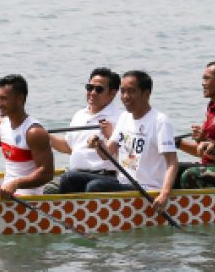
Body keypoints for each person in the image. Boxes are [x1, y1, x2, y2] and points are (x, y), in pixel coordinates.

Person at [63, 71, 179, 213]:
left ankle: (92, 220)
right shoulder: (125, 118)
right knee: (68, 178)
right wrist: (98, 144)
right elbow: (107, 154)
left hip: (147, 188)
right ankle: (69, 214)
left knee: (95, 187)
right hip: (123, 181)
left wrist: (164, 195)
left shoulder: (160, 121)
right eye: (123, 92)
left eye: (131, 92)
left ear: (146, 94)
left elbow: (172, 162)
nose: (125, 97)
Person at [46, 68, 122, 193]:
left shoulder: (120, 118)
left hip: (104, 176)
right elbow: (69, 147)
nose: (92, 92)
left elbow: (127, 154)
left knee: (76, 181)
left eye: (99, 89)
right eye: (89, 87)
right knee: (48, 189)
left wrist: (110, 135)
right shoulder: (79, 115)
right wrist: (45, 137)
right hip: (75, 175)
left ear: (113, 93)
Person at [175, 60, 215, 187]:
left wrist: (205, 140)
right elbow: (201, 151)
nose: (202, 83)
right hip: (210, 165)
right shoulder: (212, 107)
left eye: (207, 78)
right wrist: (176, 143)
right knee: (170, 169)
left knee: (190, 175)